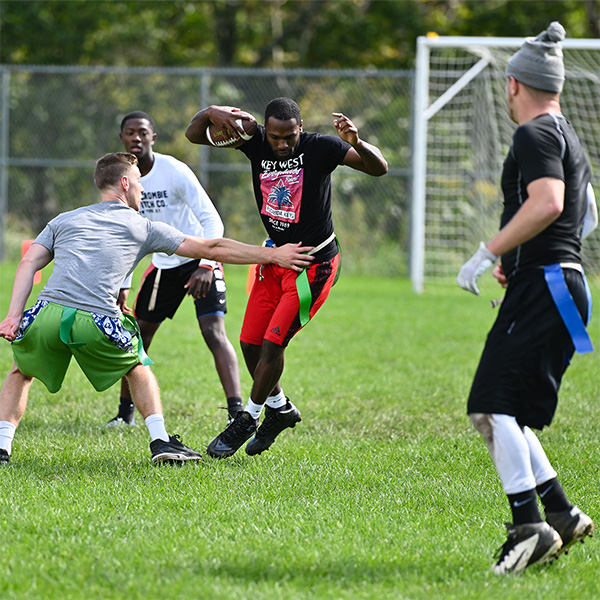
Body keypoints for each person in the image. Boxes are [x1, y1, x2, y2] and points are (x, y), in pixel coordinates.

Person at [0, 152, 314, 465]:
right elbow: (211, 247)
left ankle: (2, 447)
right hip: (95, 319)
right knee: (138, 366)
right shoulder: (143, 226)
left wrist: (14, 315)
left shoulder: (64, 219)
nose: (143, 189)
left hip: (47, 314)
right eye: (138, 182)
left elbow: (29, 262)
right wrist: (272, 256)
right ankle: (161, 441)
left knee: (20, 370)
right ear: (125, 183)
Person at [457, 22, 596, 574]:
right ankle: (559, 514)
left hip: (547, 283)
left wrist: (490, 252)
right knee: (507, 411)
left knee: (491, 406)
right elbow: (586, 216)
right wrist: (523, 261)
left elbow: (549, 203)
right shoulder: (567, 133)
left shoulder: (534, 133)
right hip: (560, 282)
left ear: (513, 84)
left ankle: (528, 528)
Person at [185, 97, 388, 458]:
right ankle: (280, 409)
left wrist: (356, 142)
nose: (281, 145)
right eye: (276, 137)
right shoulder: (254, 141)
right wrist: (210, 113)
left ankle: (249, 417)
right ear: (266, 129)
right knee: (249, 344)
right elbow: (195, 136)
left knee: (273, 344)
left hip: (313, 265)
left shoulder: (321, 147)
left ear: (301, 127)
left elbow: (379, 168)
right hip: (274, 259)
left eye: (289, 137)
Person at [107, 111, 243, 428]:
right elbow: (128, 236)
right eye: (130, 132)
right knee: (137, 337)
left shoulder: (174, 171)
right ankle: (125, 415)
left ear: (153, 137)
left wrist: (209, 264)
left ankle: (238, 415)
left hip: (199, 260)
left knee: (213, 331)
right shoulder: (122, 181)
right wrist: (123, 283)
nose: (136, 138)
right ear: (122, 139)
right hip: (164, 265)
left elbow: (213, 220)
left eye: (142, 132)